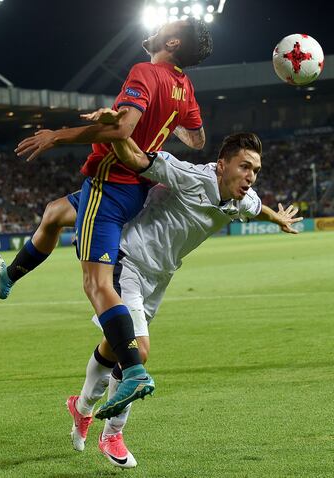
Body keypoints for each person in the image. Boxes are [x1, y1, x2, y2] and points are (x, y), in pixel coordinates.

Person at [0, 19, 213, 420]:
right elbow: (197, 139)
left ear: (173, 41)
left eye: (169, 25)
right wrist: (155, 126)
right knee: (55, 213)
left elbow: (122, 129)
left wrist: (59, 135)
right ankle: (8, 278)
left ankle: (135, 370)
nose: (160, 25)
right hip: (135, 187)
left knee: (96, 283)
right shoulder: (185, 86)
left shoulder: (146, 72)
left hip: (108, 184)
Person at [64, 123, 303, 468]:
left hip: (158, 277)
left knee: (113, 344)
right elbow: (138, 158)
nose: (251, 176)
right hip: (126, 260)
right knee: (138, 351)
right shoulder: (189, 176)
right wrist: (116, 128)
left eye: (256, 170)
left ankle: (81, 407)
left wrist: (276, 217)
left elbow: (256, 207)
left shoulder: (243, 198)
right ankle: (113, 433)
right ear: (222, 165)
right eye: (245, 166)